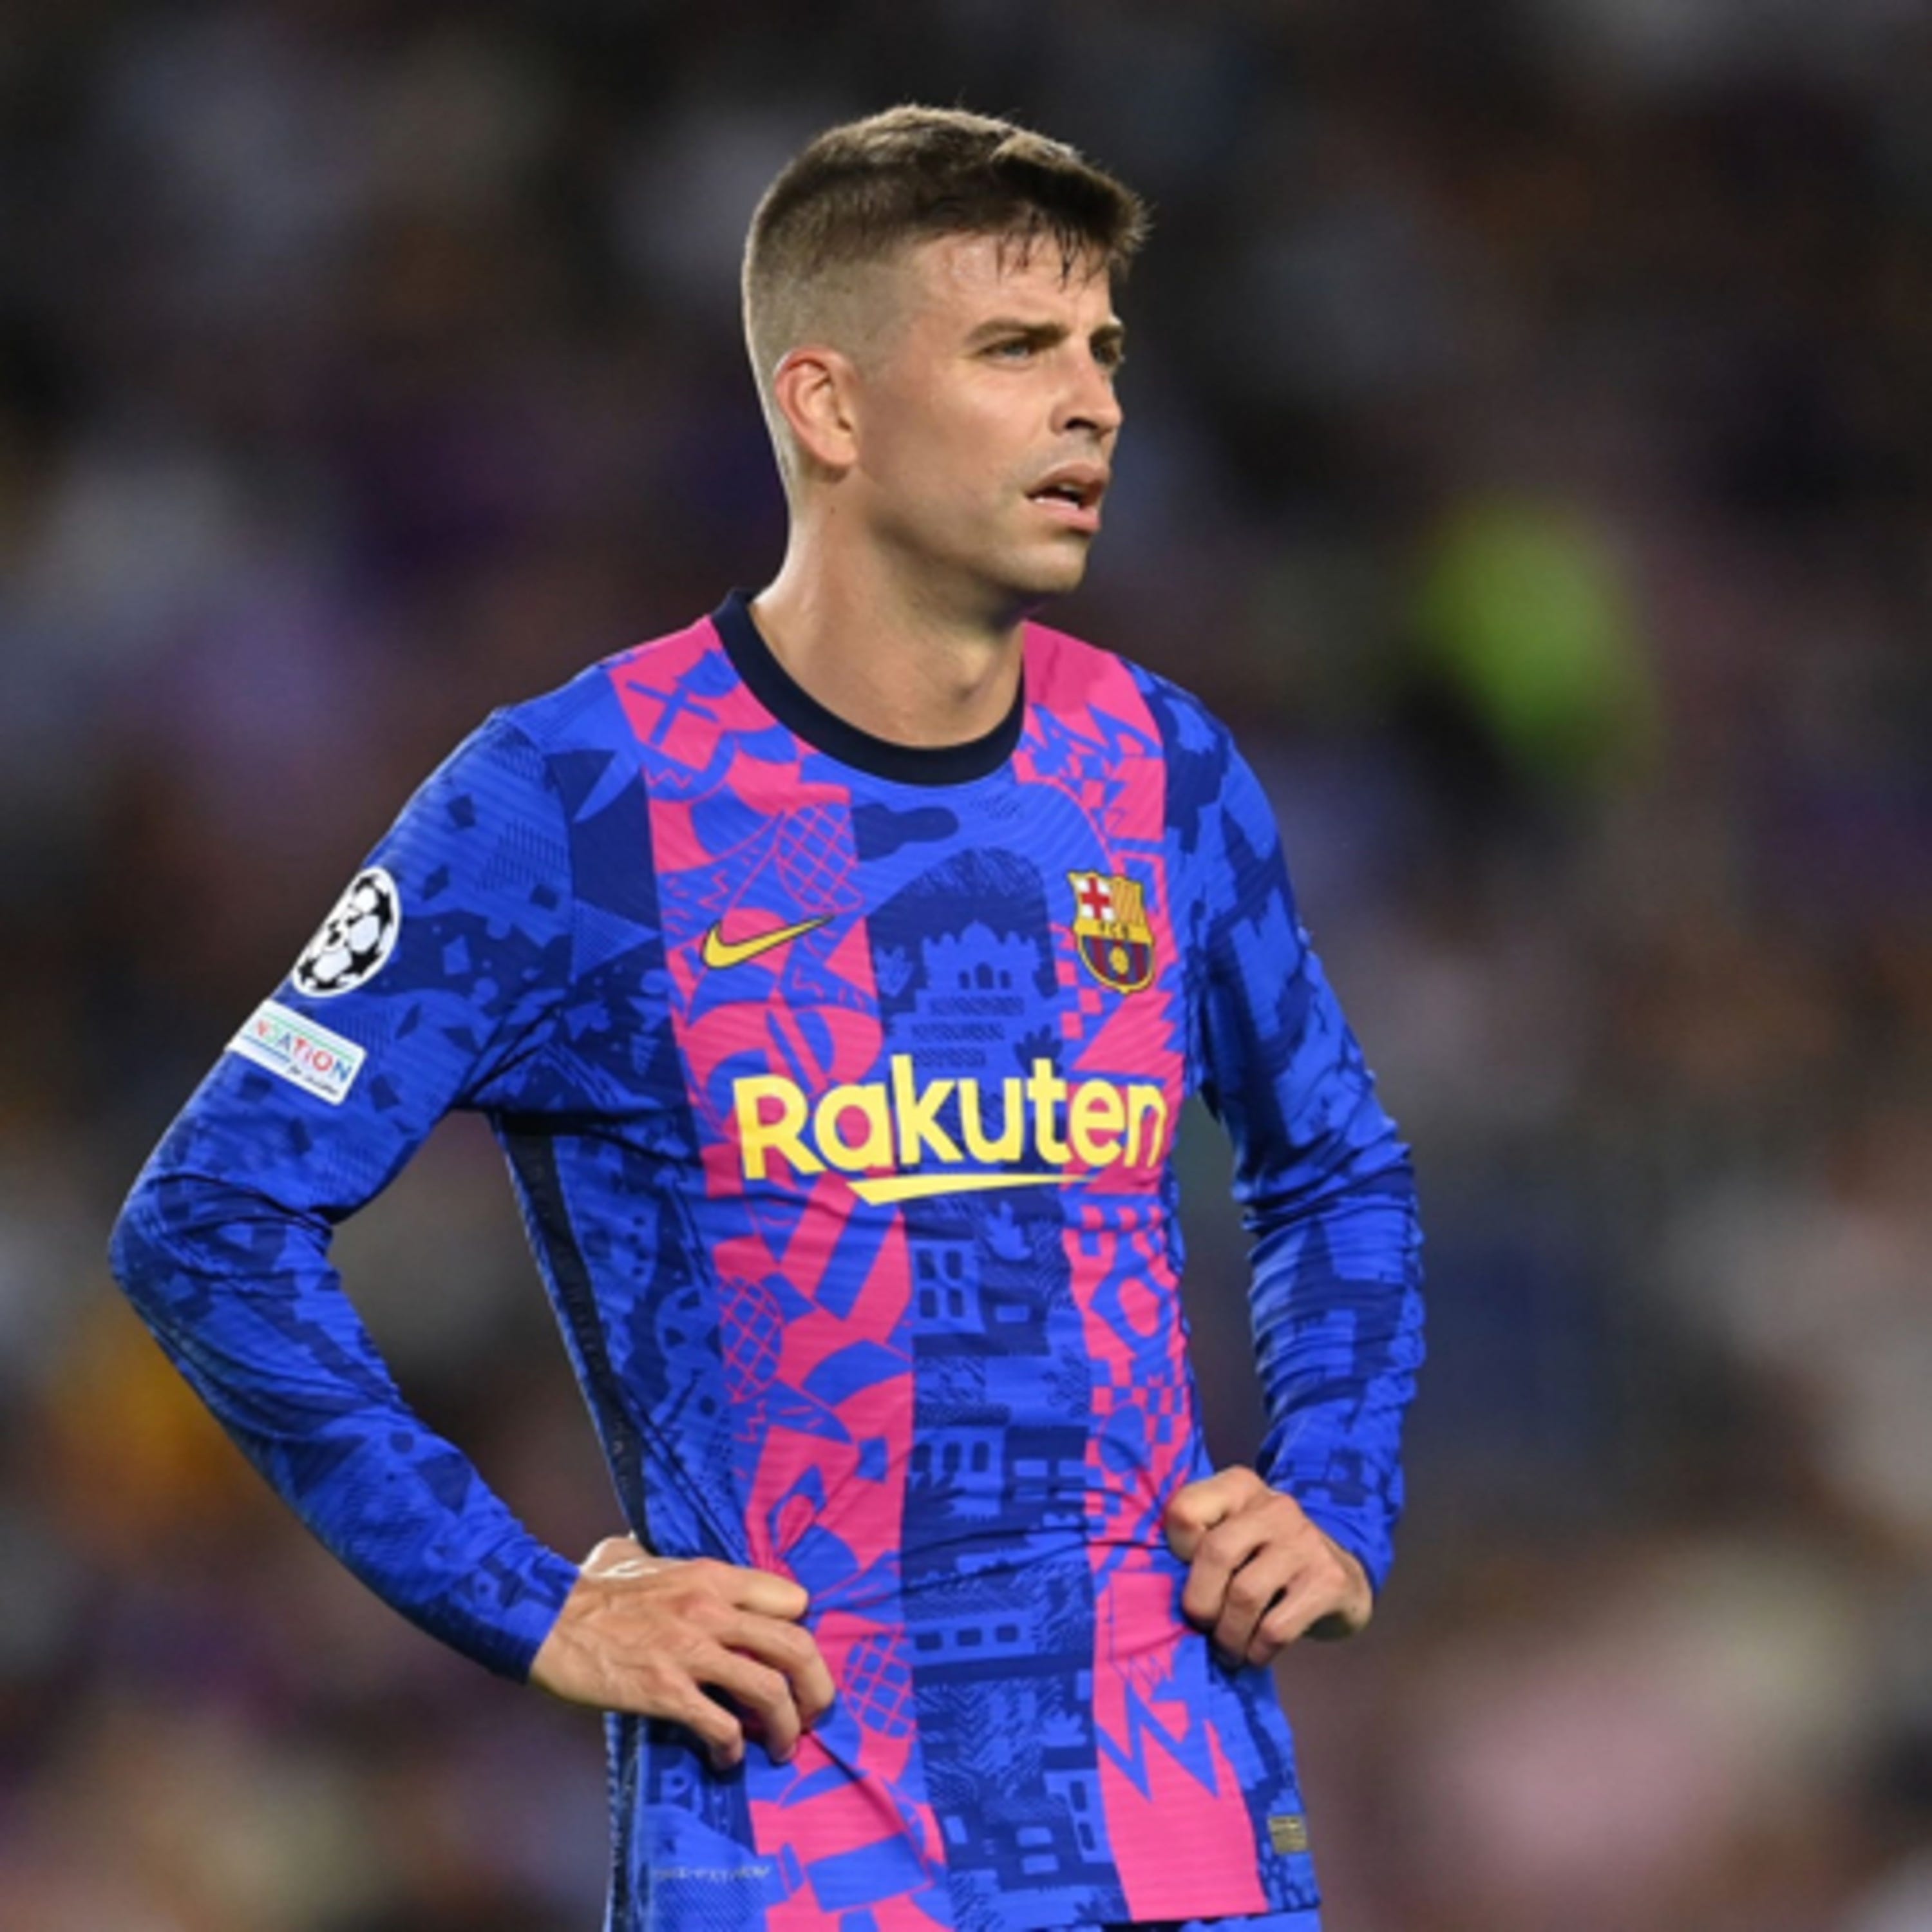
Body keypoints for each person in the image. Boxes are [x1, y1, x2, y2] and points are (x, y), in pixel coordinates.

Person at [111, 105, 1423, 1932]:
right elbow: (209, 1221)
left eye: (1104, 349)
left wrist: (1335, 1491)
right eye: (1016, 348)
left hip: (1181, 1832)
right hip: (806, 1848)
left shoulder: (1165, 769)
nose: (1095, 404)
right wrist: (526, 1601)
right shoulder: (573, 800)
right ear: (828, 405)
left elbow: (1337, 1166)